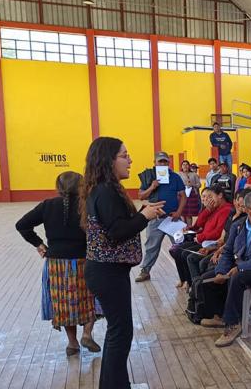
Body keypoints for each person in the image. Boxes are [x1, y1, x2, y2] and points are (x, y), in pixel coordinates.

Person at [80, 137, 165, 388]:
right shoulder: (105, 191)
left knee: (118, 332)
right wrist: (145, 217)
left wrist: (141, 213)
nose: (130, 160)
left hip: (107, 271)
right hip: (107, 272)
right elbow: (116, 231)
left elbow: (114, 224)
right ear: (108, 160)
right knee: (120, 332)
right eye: (124, 155)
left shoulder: (104, 189)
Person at [16, 171, 101, 357]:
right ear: (81, 186)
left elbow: (21, 225)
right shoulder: (87, 205)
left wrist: (39, 244)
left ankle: (72, 344)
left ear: (59, 188)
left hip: (56, 263)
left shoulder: (47, 205)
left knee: (65, 303)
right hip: (84, 260)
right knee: (91, 298)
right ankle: (87, 333)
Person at [202, 192, 251, 347]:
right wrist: (220, 271)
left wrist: (240, 267)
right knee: (207, 278)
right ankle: (220, 315)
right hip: (242, 266)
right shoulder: (237, 226)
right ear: (246, 209)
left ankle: (233, 323)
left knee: (237, 278)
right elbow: (227, 252)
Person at [136, 151, 186, 282]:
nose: (163, 164)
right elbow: (141, 196)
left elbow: (183, 196)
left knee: (180, 246)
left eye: (165, 162)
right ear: (155, 163)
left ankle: (185, 275)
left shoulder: (175, 177)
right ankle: (145, 271)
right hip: (155, 219)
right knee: (151, 247)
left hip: (173, 218)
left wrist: (179, 213)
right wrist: (152, 187)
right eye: (160, 161)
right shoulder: (149, 177)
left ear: (169, 163)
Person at [170, 185, 232, 288]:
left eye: (210, 197)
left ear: (220, 195)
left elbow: (218, 233)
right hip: (205, 240)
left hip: (212, 242)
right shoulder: (214, 208)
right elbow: (199, 224)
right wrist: (207, 210)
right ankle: (188, 282)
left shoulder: (226, 209)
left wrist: (200, 236)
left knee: (187, 255)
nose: (207, 200)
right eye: (205, 197)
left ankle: (195, 286)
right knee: (177, 250)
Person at [178, 160, 201, 226]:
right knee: (182, 213)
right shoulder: (178, 174)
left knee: (189, 214)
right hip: (181, 195)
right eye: (183, 164)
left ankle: (189, 229)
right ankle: (184, 229)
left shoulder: (194, 174)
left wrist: (193, 184)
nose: (185, 166)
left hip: (192, 195)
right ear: (181, 166)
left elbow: (199, 185)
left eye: (186, 164)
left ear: (189, 166)